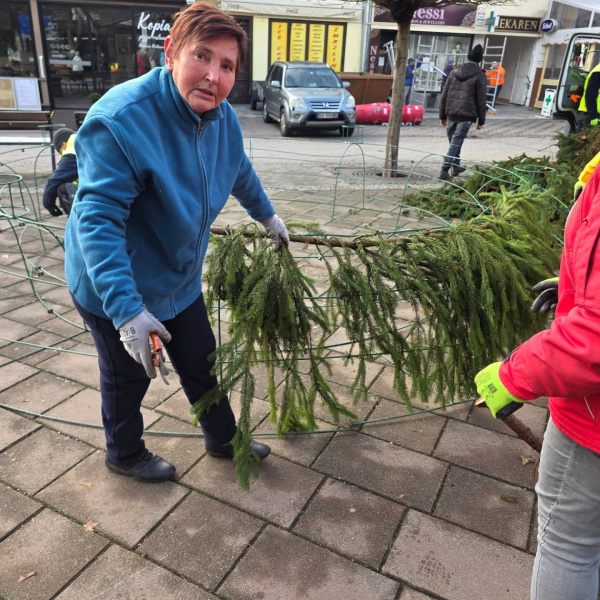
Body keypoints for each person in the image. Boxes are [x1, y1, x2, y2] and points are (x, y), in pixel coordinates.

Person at [64, 2, 290, 483]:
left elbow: (239, 168)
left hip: (178, 277)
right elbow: (98, 222)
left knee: (201, 358)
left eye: (226, 65)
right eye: (201, 56)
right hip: (113, 282)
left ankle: (223, 438)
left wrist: (267, 215)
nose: (212, 76)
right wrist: (127, 311)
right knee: (127, 375)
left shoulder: (222, 118)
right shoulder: (121, 120)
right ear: (170, 53)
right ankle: (124, 453)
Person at [475, 158, 600, 599]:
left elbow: (595, 336)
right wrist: (575, 287)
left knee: (568, 545)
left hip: (591, 424)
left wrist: (511, 377)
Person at [438, 44, 487, 181]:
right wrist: (481, 121)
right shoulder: (480, 75)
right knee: (456, 142)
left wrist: (442, 116)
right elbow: (481, 100)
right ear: (480, 59)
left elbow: (444, 94)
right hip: (467, 115)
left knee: (454, 142)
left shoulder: (454, 72)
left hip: (451, 113)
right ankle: (444, 170)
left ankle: (456, 166)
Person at [42, 128, 78, 217]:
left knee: (61, 188)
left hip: (100, 193)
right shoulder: (83, 141)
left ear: (63, 144)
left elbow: (55, 181)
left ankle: (76, 220)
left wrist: (49, 204)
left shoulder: (72, 152)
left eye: (61, 151)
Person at [577, 62, 600, 131]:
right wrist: (593, 116)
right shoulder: (597, 72)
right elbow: (590, 95)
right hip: (591, 114)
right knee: (585, 136)